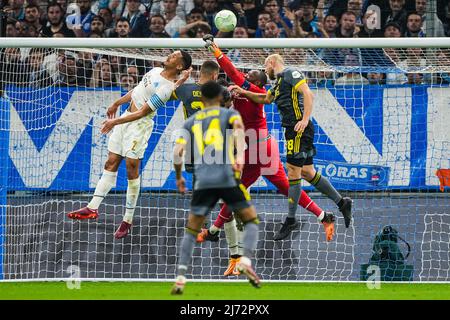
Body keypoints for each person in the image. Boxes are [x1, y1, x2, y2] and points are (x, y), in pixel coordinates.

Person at [200, 36, 337, 275]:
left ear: (258, 82)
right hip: (256, 149)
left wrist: (217, 51)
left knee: (256, 189)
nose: (248, 75)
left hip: (260, 150)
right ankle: (323, 215)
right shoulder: (245, 93)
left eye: (252, 74)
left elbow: (233, 74)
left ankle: (214, 231)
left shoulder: (252, 90)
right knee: (261, 188)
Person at [67, 50, 192, 240]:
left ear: (179, 66)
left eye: (174, 56)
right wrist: (117, 103)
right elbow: (137, 91)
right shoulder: (154, 71)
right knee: (111, 162)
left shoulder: (166, 88)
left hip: (139, 127)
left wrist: (113, 122)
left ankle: (127, 220)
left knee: (131, 169)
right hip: (125, 116)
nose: (169, 56)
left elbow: (143, 113)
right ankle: (92, 208)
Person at [230, 53, 353, 240]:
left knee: (293, 173)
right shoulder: (278, 83)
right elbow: (265, 99)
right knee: (307, 172)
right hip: (294, 129)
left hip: (297, 128)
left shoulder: (290, 73)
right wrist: (243, 92)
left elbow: (308, 94)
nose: (265, 71)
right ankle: (342, 202)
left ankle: (290, 220)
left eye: (265, 67)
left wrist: (304, 120)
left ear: (272, 62)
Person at [171, 80, 261, 295]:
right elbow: (240, 138)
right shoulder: (231, 116)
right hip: (228, 177)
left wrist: (178, 177)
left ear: (202, 99)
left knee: (191, 230)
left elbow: (177, 152)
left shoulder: (192, 120)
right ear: (222, 99)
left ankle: (181, 277)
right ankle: (245, 261)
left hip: (203, 181)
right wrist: (239, 157)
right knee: (251, 221)